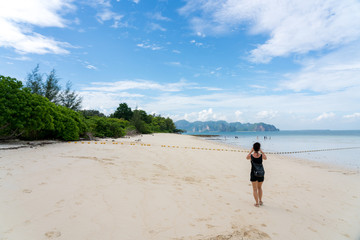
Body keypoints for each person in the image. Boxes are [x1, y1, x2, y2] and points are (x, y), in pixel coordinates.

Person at [246, 142, 267, 207]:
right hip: (261, 173)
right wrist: (261, 151)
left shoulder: (251, 156)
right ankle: (260, 201)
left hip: (253, 173)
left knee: (254, 189)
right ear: (259, 148)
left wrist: (251, 151)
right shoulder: (261, 156)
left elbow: (247, 157)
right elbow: (265, 158)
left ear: (253, 148)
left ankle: (257, 203)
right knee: (260, 188)